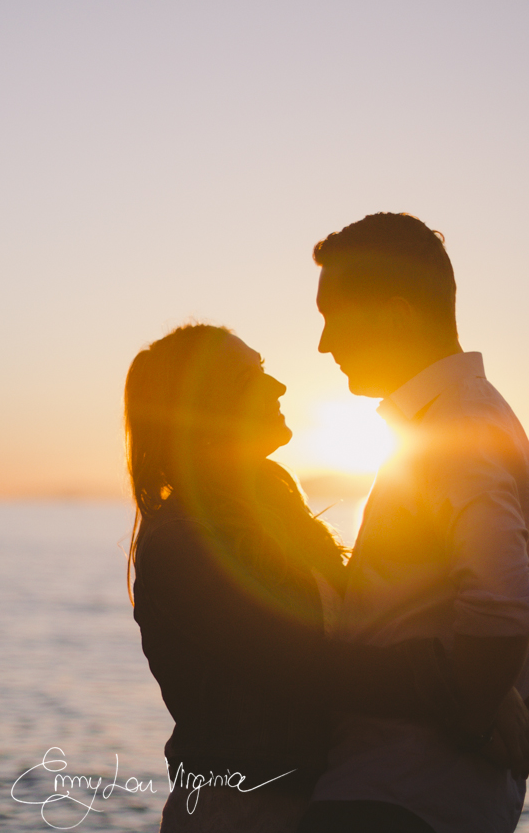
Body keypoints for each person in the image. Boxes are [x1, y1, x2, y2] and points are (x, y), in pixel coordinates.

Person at [124, 323, 461, 833]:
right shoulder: (180, 544)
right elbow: (311, 667)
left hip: (320, 800)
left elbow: (363, 624)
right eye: (252, 375)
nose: (278, 386)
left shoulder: (272, 506)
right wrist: (467, 690)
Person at [298, 212, 529, 833]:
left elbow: (501, 610)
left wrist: (475, 713)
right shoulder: (447, 424)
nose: (324, 344)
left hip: (402, 798)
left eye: (332, 317)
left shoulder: (457, 430)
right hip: (403, 791)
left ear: (396, 316)